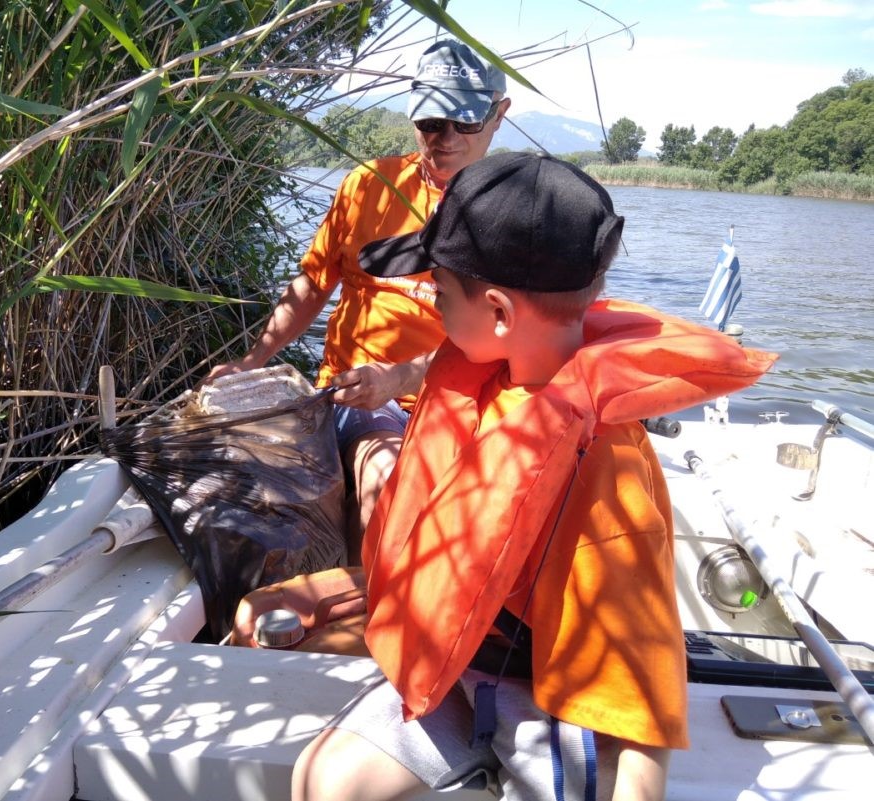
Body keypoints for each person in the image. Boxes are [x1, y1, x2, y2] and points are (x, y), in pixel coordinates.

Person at [291, 152, 777, 801]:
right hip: (459, 672)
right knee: (321, 778)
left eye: (437, 293)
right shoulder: (488, 367)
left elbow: (638, 658)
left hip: (549, 707)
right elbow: (442, 375)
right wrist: (396, 377)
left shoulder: (602, 459)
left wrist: (636, 784)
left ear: (497, 311)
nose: (433, 309)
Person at [207, 39, 511, 563]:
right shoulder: (368, 185)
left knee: (426, 493)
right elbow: (310, 286)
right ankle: (355, 613)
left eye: (464, 123)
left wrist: (401, 376)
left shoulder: (508, 210)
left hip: (453, 399)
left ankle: (377, 613)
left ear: (499, 114)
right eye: (431, 122)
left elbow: (502, 342)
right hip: (356, 397)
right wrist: (252, 361)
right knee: (381, 476)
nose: (444, 139)